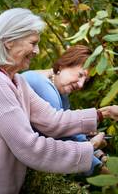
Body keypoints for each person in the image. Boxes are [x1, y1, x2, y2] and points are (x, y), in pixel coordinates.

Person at [0, 8, 109, 194]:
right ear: (8, 41)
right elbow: (30, 148)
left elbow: (53, 121)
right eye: (33, 43)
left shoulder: (16, 80)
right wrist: (90, 148)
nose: (37, 51)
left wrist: (102, 113)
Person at [22, 45, 108, 175]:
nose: (80, 84)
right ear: (63, 65)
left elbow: (73, 133)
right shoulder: (41, 85)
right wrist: (102, 170)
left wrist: (100, 156)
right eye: (80, 75)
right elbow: (64, 137)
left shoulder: (62, 94)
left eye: (86, 81)